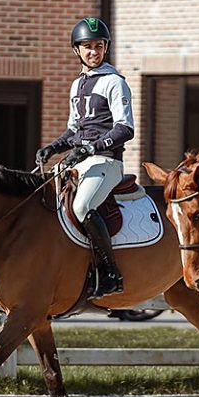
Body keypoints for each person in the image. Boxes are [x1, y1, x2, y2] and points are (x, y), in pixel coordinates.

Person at [36, 17, 133, 298]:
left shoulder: (114, 82)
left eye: (99, 46)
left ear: (106, 48)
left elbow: (125, 129)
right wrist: (53, 147)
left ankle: (110, 273)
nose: (94, 52)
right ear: (76, 50)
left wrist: (91, 148)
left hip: (106, 161)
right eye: (88, 46)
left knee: (82, 206)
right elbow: (73, 131)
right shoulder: (76, 85)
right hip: (80, 160)